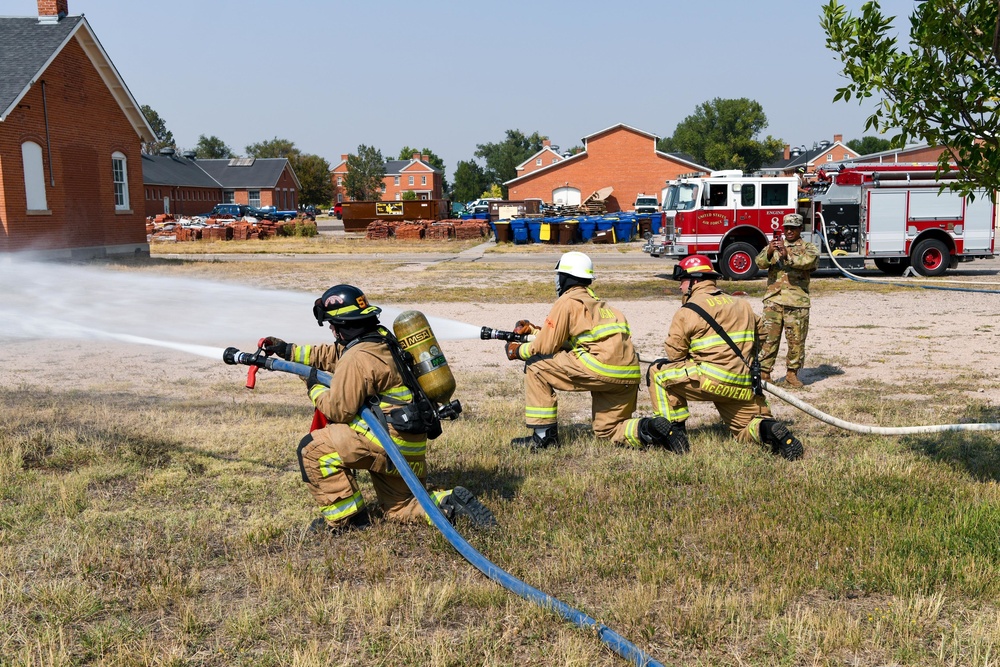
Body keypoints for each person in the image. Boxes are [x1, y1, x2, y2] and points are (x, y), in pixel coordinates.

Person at [262, 284, 495, 533]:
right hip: (410, 444)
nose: (330, 328)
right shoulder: (380, 340)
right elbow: (333, 355)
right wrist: (288, 351)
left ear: (342, 324)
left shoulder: (357, 357)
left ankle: (347, 520)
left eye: (332, 323)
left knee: (313, 451)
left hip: (386, 441)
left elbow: (338, 410)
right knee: (400, 508)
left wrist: (313, 385)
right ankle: (450, 502)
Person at [505, 251, 673, 451]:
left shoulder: (567, 301)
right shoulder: (605, 307)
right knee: (608, 431)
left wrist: (518, 351)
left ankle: (543, 438)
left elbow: (547, 346)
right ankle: (650, 429)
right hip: (627, 375)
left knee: (536, 365)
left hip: (600, 368)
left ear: (565, 277)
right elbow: (573, 340)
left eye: (558, 275)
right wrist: (535, 331)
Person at [645, 254, 804, 460]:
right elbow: (764, 334)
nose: (680, 287)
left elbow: (675, 355)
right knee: (744, 429)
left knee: (658, 372)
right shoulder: (741, 304)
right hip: (741, 383)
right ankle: (771, 431)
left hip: (709, 381)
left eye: (682, 281)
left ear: (695, 281)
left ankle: (673, 433)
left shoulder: (687, 311)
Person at [754, 213, 820, 388]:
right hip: (773, 301)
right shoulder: (775, 246)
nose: (789, 231)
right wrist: (769, 251)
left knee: (796, 340)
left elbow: (808, 262)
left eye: (793, 228)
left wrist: (786, 255)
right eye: (786, 228)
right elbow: (759, 263)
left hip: (796, 302)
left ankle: (792, 373)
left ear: (800, 229)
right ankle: (764, 373)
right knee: (767, 338)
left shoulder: (808, 247)